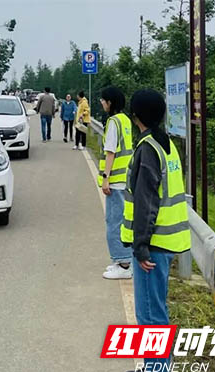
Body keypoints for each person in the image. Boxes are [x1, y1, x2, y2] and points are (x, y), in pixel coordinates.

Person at [120, 89, 190, 372]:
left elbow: (146, 203)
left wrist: (140, 246)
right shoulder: (166, 143)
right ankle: (152, 367)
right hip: (164, 240)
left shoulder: (148, 149)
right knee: (151, 311)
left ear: (136, 115)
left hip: (153, 244)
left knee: (151, 314)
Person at [99, 87, 134, 279]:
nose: (102, 103)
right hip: (125, 178)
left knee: (114, 222)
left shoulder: (113, 122)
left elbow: (111, 151)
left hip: (115, 181)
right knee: (122, 220)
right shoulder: (125, 120)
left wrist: (106, 178)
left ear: (110, 102)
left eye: (103, 100)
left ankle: (123, 263)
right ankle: (122, 260)